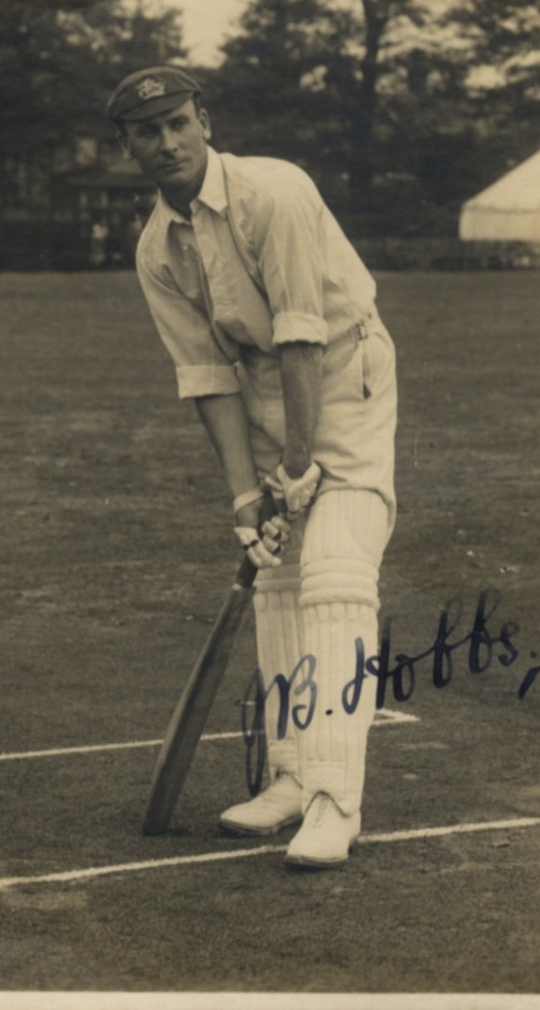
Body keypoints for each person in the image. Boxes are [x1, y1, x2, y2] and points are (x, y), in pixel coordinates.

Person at [106, 66, 397, 869]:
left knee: (335, 571)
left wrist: (299, 468)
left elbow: (303, 333)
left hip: (345, 371)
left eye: (177, 122)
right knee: (274, 578)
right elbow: (206, 378)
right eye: (147, 131)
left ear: (203, 121)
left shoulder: (275, 192)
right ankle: (291, 773)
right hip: (266, 389)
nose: (166, 142)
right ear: (127, 146)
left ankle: (336, 800)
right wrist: (247, 494)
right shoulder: (154, 249)